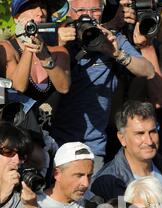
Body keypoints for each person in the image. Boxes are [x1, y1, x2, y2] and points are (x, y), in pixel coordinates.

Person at [51, 0, 154, 173]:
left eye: (95, 10)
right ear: (69, 12)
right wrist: (56, 42)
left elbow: (148, 70)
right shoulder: (56, 35)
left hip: (93, 145)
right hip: (55, 142)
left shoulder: (110, 38)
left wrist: (115, 53)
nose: (88, 16)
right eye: (82, 10)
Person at [91, 100, 162, 203]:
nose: (149, 141)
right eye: (140, 133)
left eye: (152, 132)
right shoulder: (107, 183)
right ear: (122, 138)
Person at [0, 0, 70, 127]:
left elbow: (63, 87)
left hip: (51, 136)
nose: (40, 13)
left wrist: (43, 54)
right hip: (17, 134)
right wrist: (29, 47)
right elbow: (19, 87)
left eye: (43, 7)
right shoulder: (7, 49)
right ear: (16, 18)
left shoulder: (60, 52)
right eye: (32, 7)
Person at [0, 121, 47, 208]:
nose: (16, 160)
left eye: (21, 155)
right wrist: (2, 196)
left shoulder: (24, 196)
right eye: (8, 152)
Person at [37, 141, 98, 208]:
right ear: (57, 174)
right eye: (79, 175)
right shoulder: (37, 206)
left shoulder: (93, 203)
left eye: (89, 175)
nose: (86, 184)